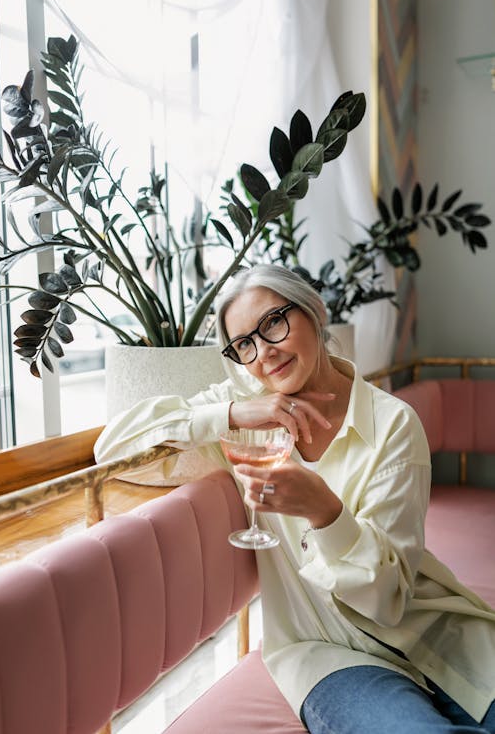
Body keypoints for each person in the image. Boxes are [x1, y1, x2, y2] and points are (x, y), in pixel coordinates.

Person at [95, 264, 495, 734]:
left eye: (273, 323)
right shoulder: (246, 417)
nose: (264, 353)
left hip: (442, 636)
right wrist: (232, 410)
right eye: (245, 344)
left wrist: (324, 511)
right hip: (327, 655)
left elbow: (388, 602)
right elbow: (113, 447)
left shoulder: (393, 425)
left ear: (315, 311)